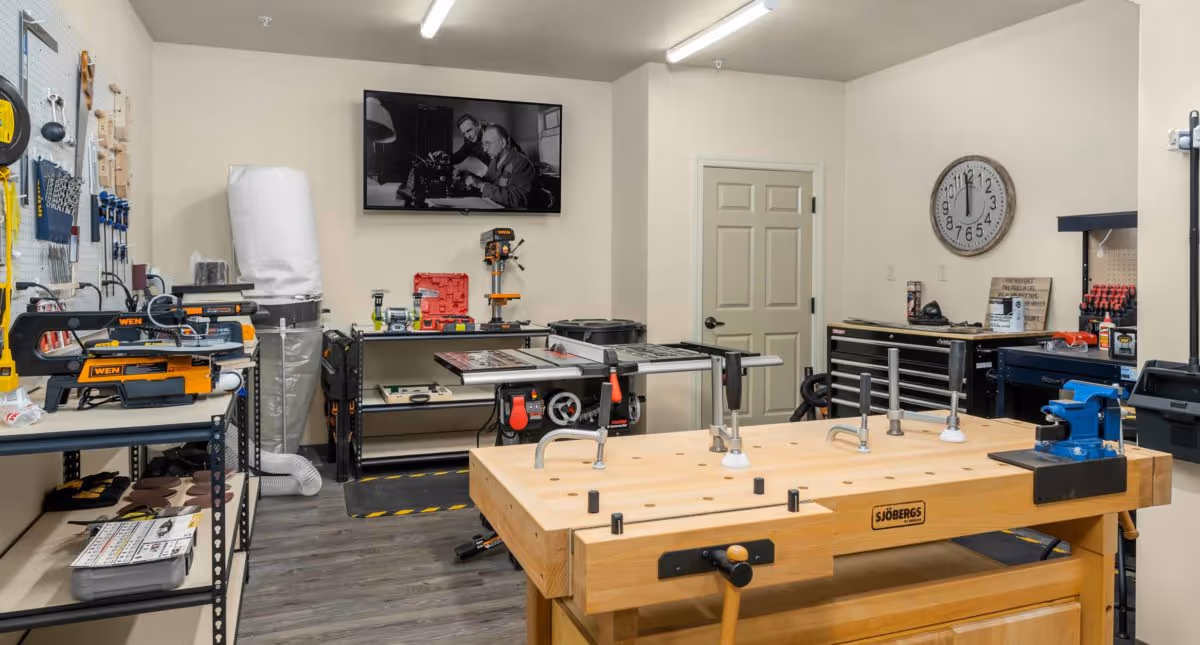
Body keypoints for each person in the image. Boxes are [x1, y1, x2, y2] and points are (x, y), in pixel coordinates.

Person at [465, 124, 537, 209]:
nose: (484, 149)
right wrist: (467, 175)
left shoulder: (520, 163)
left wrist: (482, 186)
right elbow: (487, 181)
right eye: (483, 145)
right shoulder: (495, 161)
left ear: (502, 142)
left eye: (487, 144)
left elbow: (517, 200)